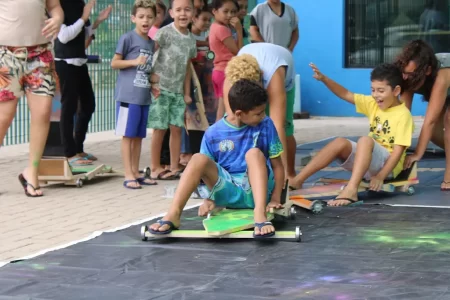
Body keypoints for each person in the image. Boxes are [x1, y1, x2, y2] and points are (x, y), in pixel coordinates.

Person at [148, 79, 285, 237]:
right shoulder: (213, 133)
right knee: (198, 158)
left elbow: (278, 167)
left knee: (253, 153)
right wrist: (209, 198)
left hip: (257, 194)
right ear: (239, 113)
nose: (263, 116)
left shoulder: (266, 124)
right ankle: (173, 214)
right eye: (258, 113)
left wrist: (275, 198)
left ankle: (259, 214)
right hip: (227, 192)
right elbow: (203, 172)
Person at [289, 63, 414, 206]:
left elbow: (398, 151)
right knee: (340, 142)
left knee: (365, 140)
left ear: (396, 90)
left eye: (380, 91)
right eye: (372, 90)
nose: (375, 95)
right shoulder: (373, 103)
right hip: (368, 162)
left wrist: (381, 176)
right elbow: (346, 94)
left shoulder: (403, 115)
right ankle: (298, 180)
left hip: (387, 168)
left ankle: (352, 189)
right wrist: (324, 79)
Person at [0, 0, 63, 197]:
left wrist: (58, 19)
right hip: (6, 54)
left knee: (44, 111)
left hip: (40, 53)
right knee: (4, 117)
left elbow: (54, 7)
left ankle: (32, 172)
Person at [220, 43, 297, 180]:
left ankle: (290, 173)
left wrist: (282, 177)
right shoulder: (230, 80)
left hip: (279, 67)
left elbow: (277, 126)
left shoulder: (274, 74)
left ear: (260, 77)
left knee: (286, 128)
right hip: (256, 65)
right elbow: (231, 122)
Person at [148, 0, 197, 180]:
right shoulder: (164, 33)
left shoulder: (191, 40)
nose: (183, 14)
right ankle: (155, 167)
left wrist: (186, 93)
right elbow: (149, 54)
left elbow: (187, 69)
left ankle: (175, 166)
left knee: (177, 128)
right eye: (179, 10)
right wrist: (151, 79)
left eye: (187, 10)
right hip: (160, 89)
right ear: (171, 12)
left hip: (177, 92)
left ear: (193, 13)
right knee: (159, 129)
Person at [111, 0, 158, 189]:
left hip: (142, 97)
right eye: (141, 17)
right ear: (133, 18)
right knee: (127, 135)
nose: (145, 20)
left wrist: (154, 82)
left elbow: (146, 69)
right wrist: (133, 62)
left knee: (139, 136)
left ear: (154, 19)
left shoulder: (151, 43)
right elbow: (115, 63)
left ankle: (137, 172)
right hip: (127, 97)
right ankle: (128, 173)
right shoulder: (127, 38)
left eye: (149, 17)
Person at [54, 0, 107, 166]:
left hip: (79, 61)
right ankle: (69, 153)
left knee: (88, 104)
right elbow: (63, 36)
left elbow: (84, 33)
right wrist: (84, 17)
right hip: (65, 62)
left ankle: (78, 147)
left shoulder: (79, 3)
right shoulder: (58, 5)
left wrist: (97, 21)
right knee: (68, 107)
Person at [396, 40, 450, 191]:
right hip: (446, 93)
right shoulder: (406, 77)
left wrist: (418, 154)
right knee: (432, 134)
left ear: (426, 71)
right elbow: (403, 115)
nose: (405, 78)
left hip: (447, 83)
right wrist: (395, 154)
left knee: (448, 120)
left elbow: (430, 120)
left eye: (411, 74)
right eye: (404, 73)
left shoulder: (443, 73)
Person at [209, 0, 243, 122]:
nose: (229, 15)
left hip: (218, 71)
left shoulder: (215, 26)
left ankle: (218, 136)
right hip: (226, 72)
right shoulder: (222, 29)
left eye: (233, 12)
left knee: (222, 107)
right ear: (214, 11)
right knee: (230, 111)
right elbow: (238, 52)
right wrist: (239, 30)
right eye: (225, 11)